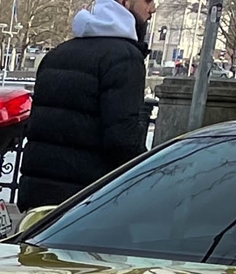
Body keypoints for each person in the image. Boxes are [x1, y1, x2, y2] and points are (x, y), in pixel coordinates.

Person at [17, 0, 152, 209]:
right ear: (124, 2)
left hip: (37, 196)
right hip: (85, 203)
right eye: (148, 0)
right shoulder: (125, 58)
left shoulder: (57, 54)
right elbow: (122, 138)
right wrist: (149, 171)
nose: (153, 8)